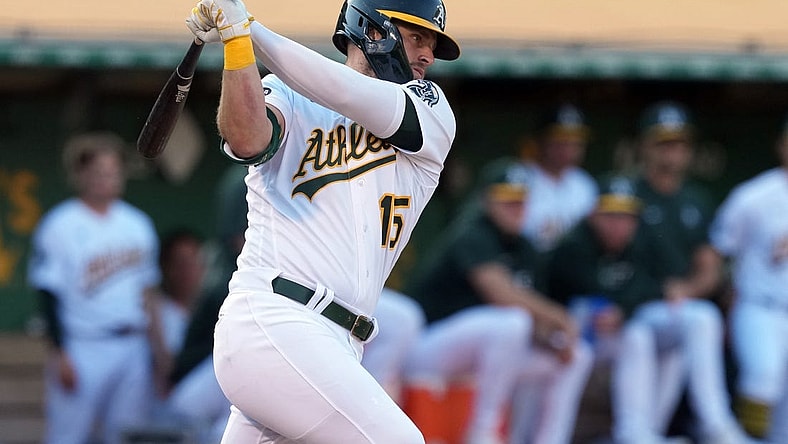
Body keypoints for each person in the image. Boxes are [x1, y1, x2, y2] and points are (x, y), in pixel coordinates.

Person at [184, 0, 461, 441]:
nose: (428, 55)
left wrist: (251, 30)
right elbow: (247, 138)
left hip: (341, 344)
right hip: (275, 318)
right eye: (416, 38)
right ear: (373, 31)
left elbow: (346, 92)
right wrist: (237, 44)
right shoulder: (288, 95)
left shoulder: (431, 109)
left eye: (431, 43)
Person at [546, 174, 751, 444]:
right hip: (568, 333)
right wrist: (625, 305)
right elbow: (594, 293)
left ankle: (655, 432)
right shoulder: (574, 245)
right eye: (611, 216)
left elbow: (657, 286)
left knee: (666, 334)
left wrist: (626, 306)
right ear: (594, 215)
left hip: (615, 332)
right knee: (634, 335)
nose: (619, 225)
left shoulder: (642, 242)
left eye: (626, 217)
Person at [404, 159, 593, 444]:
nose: (516, 207)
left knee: (576, 355)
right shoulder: (473, 233)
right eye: (506, 199)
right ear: (486, 200)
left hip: (487, 355)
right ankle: (483, 431)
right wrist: (560, 318)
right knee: (512, 322)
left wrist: (553, 338)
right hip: (428, 348)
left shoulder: (526, 248)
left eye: (521, 199)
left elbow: (535, 320)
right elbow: (501, 294)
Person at [27, 131, 163, 444]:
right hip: (83, 345)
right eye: (99, 171)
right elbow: (48, 295)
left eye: (114, 171)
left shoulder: (137, 223)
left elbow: (148, 294)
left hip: (132, 344)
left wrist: (158, 353)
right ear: (80, 175)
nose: (108, 179)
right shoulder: (60, 224)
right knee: (68, 435)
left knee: (129, 436)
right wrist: (59, 353)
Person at [708, 117, 788, 444]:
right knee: (762, 380)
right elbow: (719, 251)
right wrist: (727, 301)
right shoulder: (754, 195)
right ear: (781, 145)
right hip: (759, 306)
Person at [518, 103, 598, 254]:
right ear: (541, 140)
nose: (568, 148)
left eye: (575, 141)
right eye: (560, 140)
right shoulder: (519, 179)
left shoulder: (585, 184)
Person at [360, 287, 426, 404]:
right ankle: (368, 400)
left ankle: (371, 400)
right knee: (401, 319)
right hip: (327, 286)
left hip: (421, 339)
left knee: (403, 317)